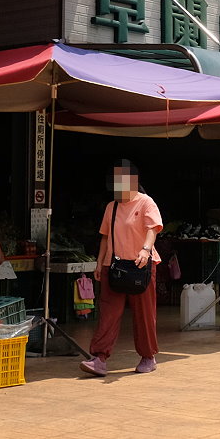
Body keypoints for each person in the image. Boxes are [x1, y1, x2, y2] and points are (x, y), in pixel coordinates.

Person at [81, 161, 163, 377]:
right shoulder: (112, 206)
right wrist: (99, 263)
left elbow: (153, 229)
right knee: (108, 312)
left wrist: (146, 250)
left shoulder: (146, 203)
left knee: (144, 314)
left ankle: (148, 356)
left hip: (141, 266)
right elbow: (105, 237)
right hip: (113, 266)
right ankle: (99, 358)